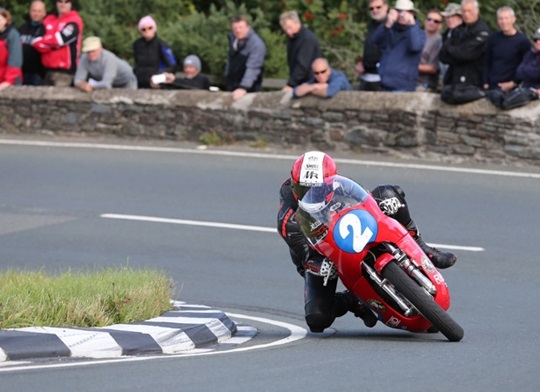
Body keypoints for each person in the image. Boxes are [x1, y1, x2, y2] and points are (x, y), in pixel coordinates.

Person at [278, 151, 457, 333]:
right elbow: (305, 255)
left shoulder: (339, 185)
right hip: (320, 254)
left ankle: (423, 248)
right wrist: (317, 264)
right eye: (303, 189)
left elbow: (365, 198)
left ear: (331, 181)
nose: (310, 194)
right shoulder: (289, 218)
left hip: (348, 230)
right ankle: (352, 301)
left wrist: (383, 206)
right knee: (317, 319)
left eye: (317, 189)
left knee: (388, 195)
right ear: (293, 184)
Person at [439, 0, 490, 104]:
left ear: (477, 11)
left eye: (469, 11)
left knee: (460, 96)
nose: (466, 14)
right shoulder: (457, 30)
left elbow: (467, 54)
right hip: (454, 79)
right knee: (445, 94)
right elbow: (442, 56)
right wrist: (457, 51)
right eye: (464, 11)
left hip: (473, 80)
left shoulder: (482, 30)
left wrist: (452, 50)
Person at [372, 0, 426, 92]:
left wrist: (411, 25)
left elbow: (415, 46)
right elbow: (376, 41)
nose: (402, 15)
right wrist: (388, 24)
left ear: (412, 13)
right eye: (399, 11)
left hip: (403, 85)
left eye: (405, 12)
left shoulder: (418, 32)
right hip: (384, 82)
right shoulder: (390, 30)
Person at [483, 6, 531, 109]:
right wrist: (485, 82)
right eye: (501, 19)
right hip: (492, 86)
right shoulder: (493, 38)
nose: (503, 22)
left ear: (513, 20)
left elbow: (525, 67)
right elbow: (487, 61)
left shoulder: (523, 41)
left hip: (510, 87)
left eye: (506, 18)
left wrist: (513, 83)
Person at [31, 0, 84, 87]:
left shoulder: (75, 20)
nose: (62, 4)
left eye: (66, 2)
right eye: (60, 1)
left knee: (60, 99)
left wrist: (46, 41)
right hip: (46, 70)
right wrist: (54, 45)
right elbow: (35, 41)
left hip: (64, 72)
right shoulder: (48, 19)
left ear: (71, 4)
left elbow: (61, 40)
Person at [224, 15, 266, 100]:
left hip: (249, 89)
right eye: (235, 28)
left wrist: (244, 87)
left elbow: (253, 68)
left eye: (241, 27)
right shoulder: (233, 40)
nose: (238, 30)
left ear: (248, 27)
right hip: (232, 86)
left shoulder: (256, 45)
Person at [279, 11, 322, 92]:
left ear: (297, 22)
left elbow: (302, 66)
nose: (288, 32)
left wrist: (291, 84)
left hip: (311, 83)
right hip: (300, 83)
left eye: (290, 27)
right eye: (285, 29)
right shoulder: (292, 39)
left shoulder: (307, 39)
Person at [133, 15, 177, 89]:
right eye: (143, 29)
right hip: (140, 82)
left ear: (154, 28)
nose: (147, 31)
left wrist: (158, 77)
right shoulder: (137, 45)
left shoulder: (161, 44)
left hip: (156, 82)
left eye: (150, 28)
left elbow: (172, 66)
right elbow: (137, 66)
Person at [355, 0, 389, 91]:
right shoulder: (371, 25)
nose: (375, 10)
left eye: (378, 7)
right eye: (371, 8)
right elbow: (370, 49)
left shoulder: (392, 26)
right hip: (367, 76)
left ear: (386, 7)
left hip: (383, 78)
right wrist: (362, 63)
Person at [19, 0, 47, 86]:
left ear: (44, 13)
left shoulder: (46, 28)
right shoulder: (23, 27)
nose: (36, 14)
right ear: (30, 12)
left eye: (39, 11)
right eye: (34, 11)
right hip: (22, 71)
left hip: (38, 73)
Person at [417, 9, 443, 92]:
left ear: (440, 25)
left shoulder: (438, 41)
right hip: (408, 80)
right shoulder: (417, 35)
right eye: (429, 19)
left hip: (425, 84)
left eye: (436, 21)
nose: (431, 22)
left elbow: (433, 68)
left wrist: (410, 66)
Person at [439, 3, 463, 85]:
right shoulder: (446, 34)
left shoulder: (465, 34)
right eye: (447, 17)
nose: (449, 20)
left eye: (453, 17)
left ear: (460, 18)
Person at [0, 7, 23, 91]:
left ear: (6, 20)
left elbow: (15, 62)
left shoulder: (13, 35)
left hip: (9, 82)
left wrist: (7, 82)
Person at [515, 28, 540, 97]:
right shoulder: (530, 54)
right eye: (535, 40)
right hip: (526, 89)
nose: (538, 42)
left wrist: (527, 70)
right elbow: (519, 72)